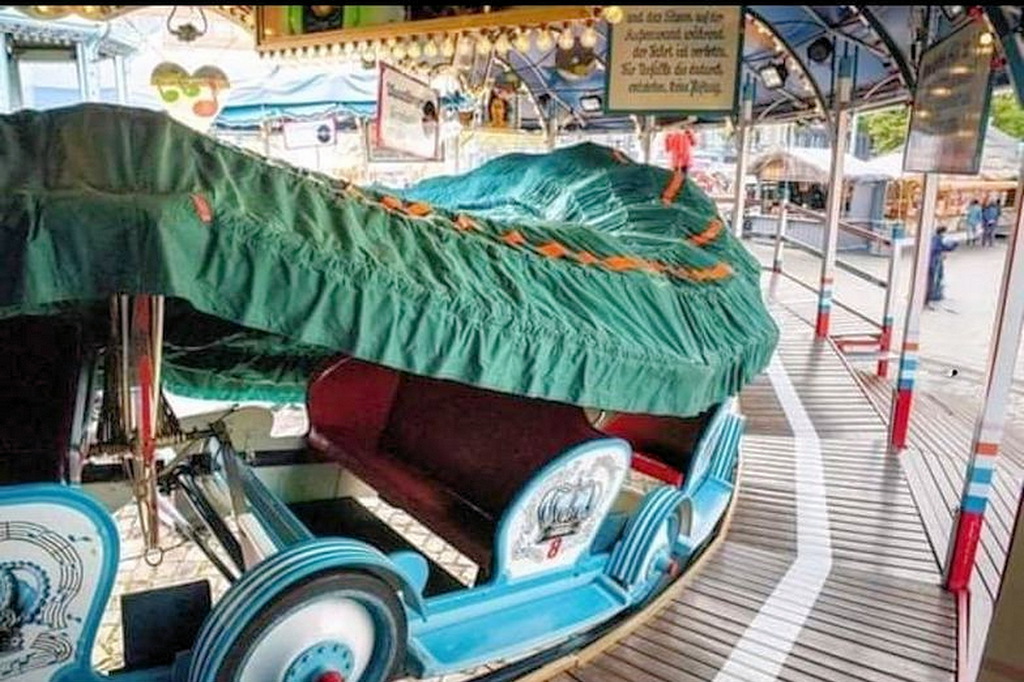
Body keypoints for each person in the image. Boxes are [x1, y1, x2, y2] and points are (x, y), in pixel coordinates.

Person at [927, 225, 957, 307]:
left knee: (937, 277)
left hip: (935, 260)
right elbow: (940, 248)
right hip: (935, 261)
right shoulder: (938, 239)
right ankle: (934, 295)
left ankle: (936, 294)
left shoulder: (935, 238)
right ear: (943, 232)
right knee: (936, 277)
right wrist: (953, 245)